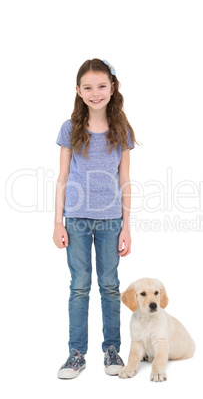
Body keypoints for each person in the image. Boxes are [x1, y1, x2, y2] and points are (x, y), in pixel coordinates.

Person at [53, 58, 138, 379]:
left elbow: (125, 179)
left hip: (110, 221)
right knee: (79, 287)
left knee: (110, 286)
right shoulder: (69, 128)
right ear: (78, 91)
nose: (95, 92)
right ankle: (76, 354)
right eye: (87, 87)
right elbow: (62, 177)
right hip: (75, 218)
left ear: (112, 88)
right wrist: (57, 222)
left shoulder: (122, 131)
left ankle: (112, 349)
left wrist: (127, 226)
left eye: (102, 86)